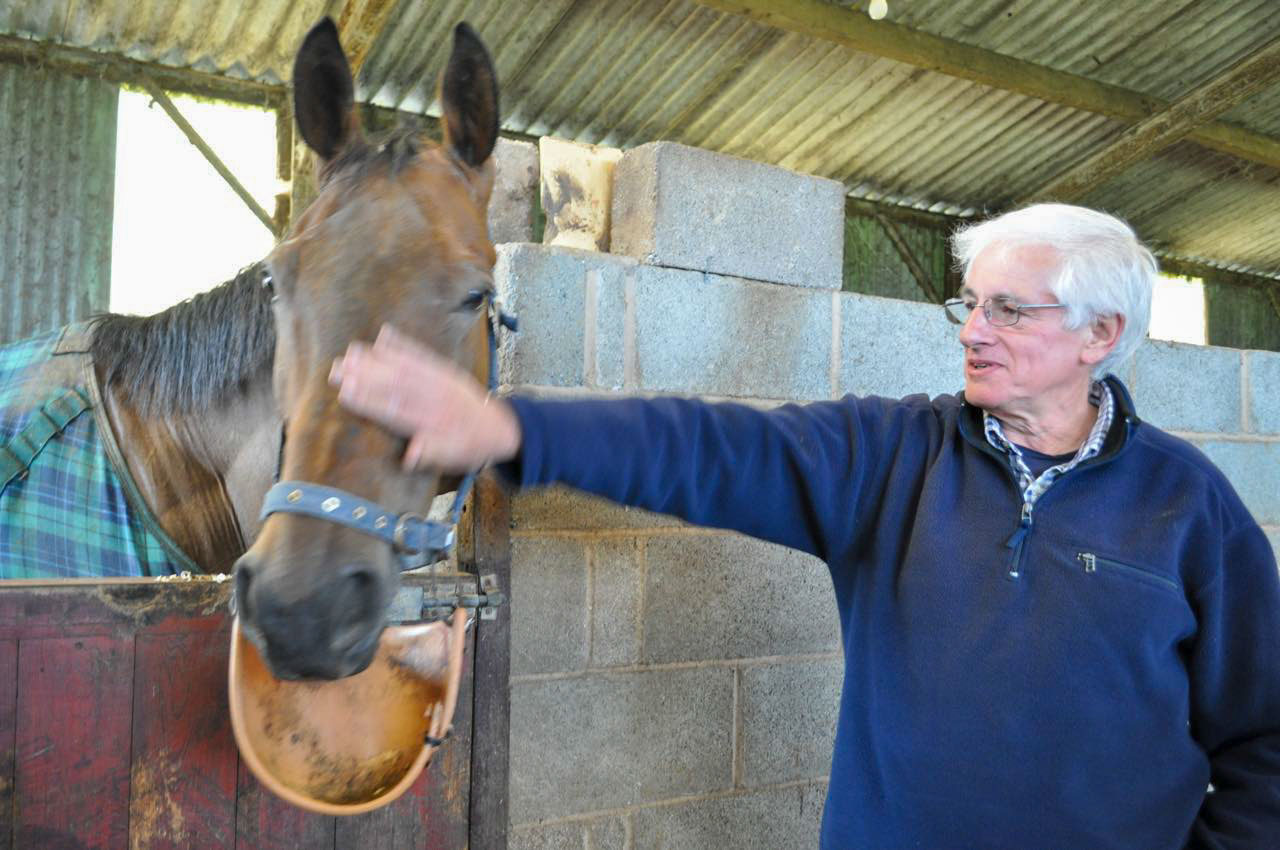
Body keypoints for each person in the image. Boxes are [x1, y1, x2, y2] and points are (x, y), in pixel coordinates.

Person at [329, 203, 1280, 849]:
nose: (971, 330)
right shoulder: (894, 457)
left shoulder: (1188, 508)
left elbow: (1264, 737)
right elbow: (718, 450)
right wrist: (513, 427)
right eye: (970, 303)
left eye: (1008, 310)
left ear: (1100, 335)